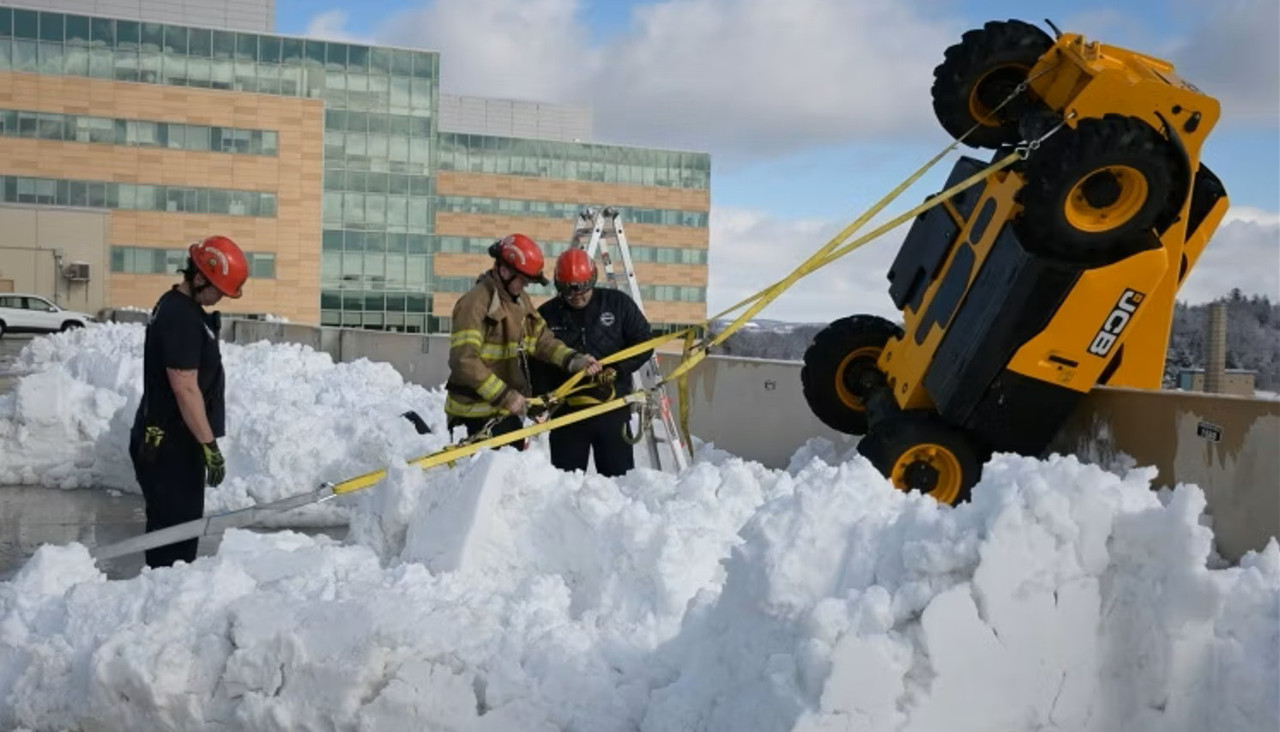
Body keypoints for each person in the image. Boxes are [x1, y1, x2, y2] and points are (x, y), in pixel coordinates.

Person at [128, 235, 248, 569]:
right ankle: (166, 593)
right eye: (218, 290)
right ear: (199, 278)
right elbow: (185, 388)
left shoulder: (179, 307)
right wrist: (209, 446)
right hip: (172, 447)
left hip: (171, 440)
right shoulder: (181, 317)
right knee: (174, 541)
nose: (221, 297)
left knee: (173, 531)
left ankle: (165, 588)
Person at [445, 233, 601, 449]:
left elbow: (541, 340)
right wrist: (504, 395)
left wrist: (575, 360)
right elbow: (464, 361)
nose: (525, 286)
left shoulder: (518, 300)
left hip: (503, 410)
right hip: (474, 414)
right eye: (523, 280)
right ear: (505, 271)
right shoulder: (475, 304)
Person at [530, 247, 654, 477]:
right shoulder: (548, 314)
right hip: (568, 414)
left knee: (618, 481)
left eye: (582, 290)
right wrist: (540, 398)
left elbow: (644, 342)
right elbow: (536, 362)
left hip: (612, 409)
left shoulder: (618, 304)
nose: (576, 296)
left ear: (593, 280)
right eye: (569, 292)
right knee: (566, 484)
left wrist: (617, 370)